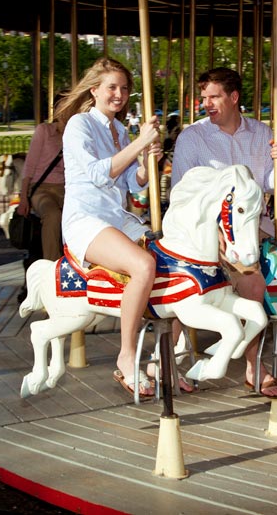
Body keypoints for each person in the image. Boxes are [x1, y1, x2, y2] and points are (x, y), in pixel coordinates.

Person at [170, 67, 277, 399]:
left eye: (213, 96)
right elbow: (180, 192)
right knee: (251, 280)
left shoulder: (263, 134)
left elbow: (273, 187)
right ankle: (254, 365)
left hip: (254, 228)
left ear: (233, 98)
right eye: (203, 97)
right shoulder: (193, 138)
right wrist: (216, 232)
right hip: (207, 233)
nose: (206, 103)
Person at [57, 57, 163, 399]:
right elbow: (99, 174)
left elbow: (134, 183)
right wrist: (139, 143)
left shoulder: (119, 130)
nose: (119, 94)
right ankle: (126, 353)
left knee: (174, 258)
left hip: (118, 218)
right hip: (86, 220)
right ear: (95, 90)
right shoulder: (79, 125)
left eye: (124, 88)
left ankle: (166, 354)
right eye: (112, 87)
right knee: (143, 264)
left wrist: (150, 160)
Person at [16, 99, 69, 262]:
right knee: (52, 215)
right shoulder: (44, 131)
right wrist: (23, 196)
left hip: (67, 188)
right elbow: (30, 164)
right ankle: (53, 266)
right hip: (42, 188)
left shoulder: (76, 134)